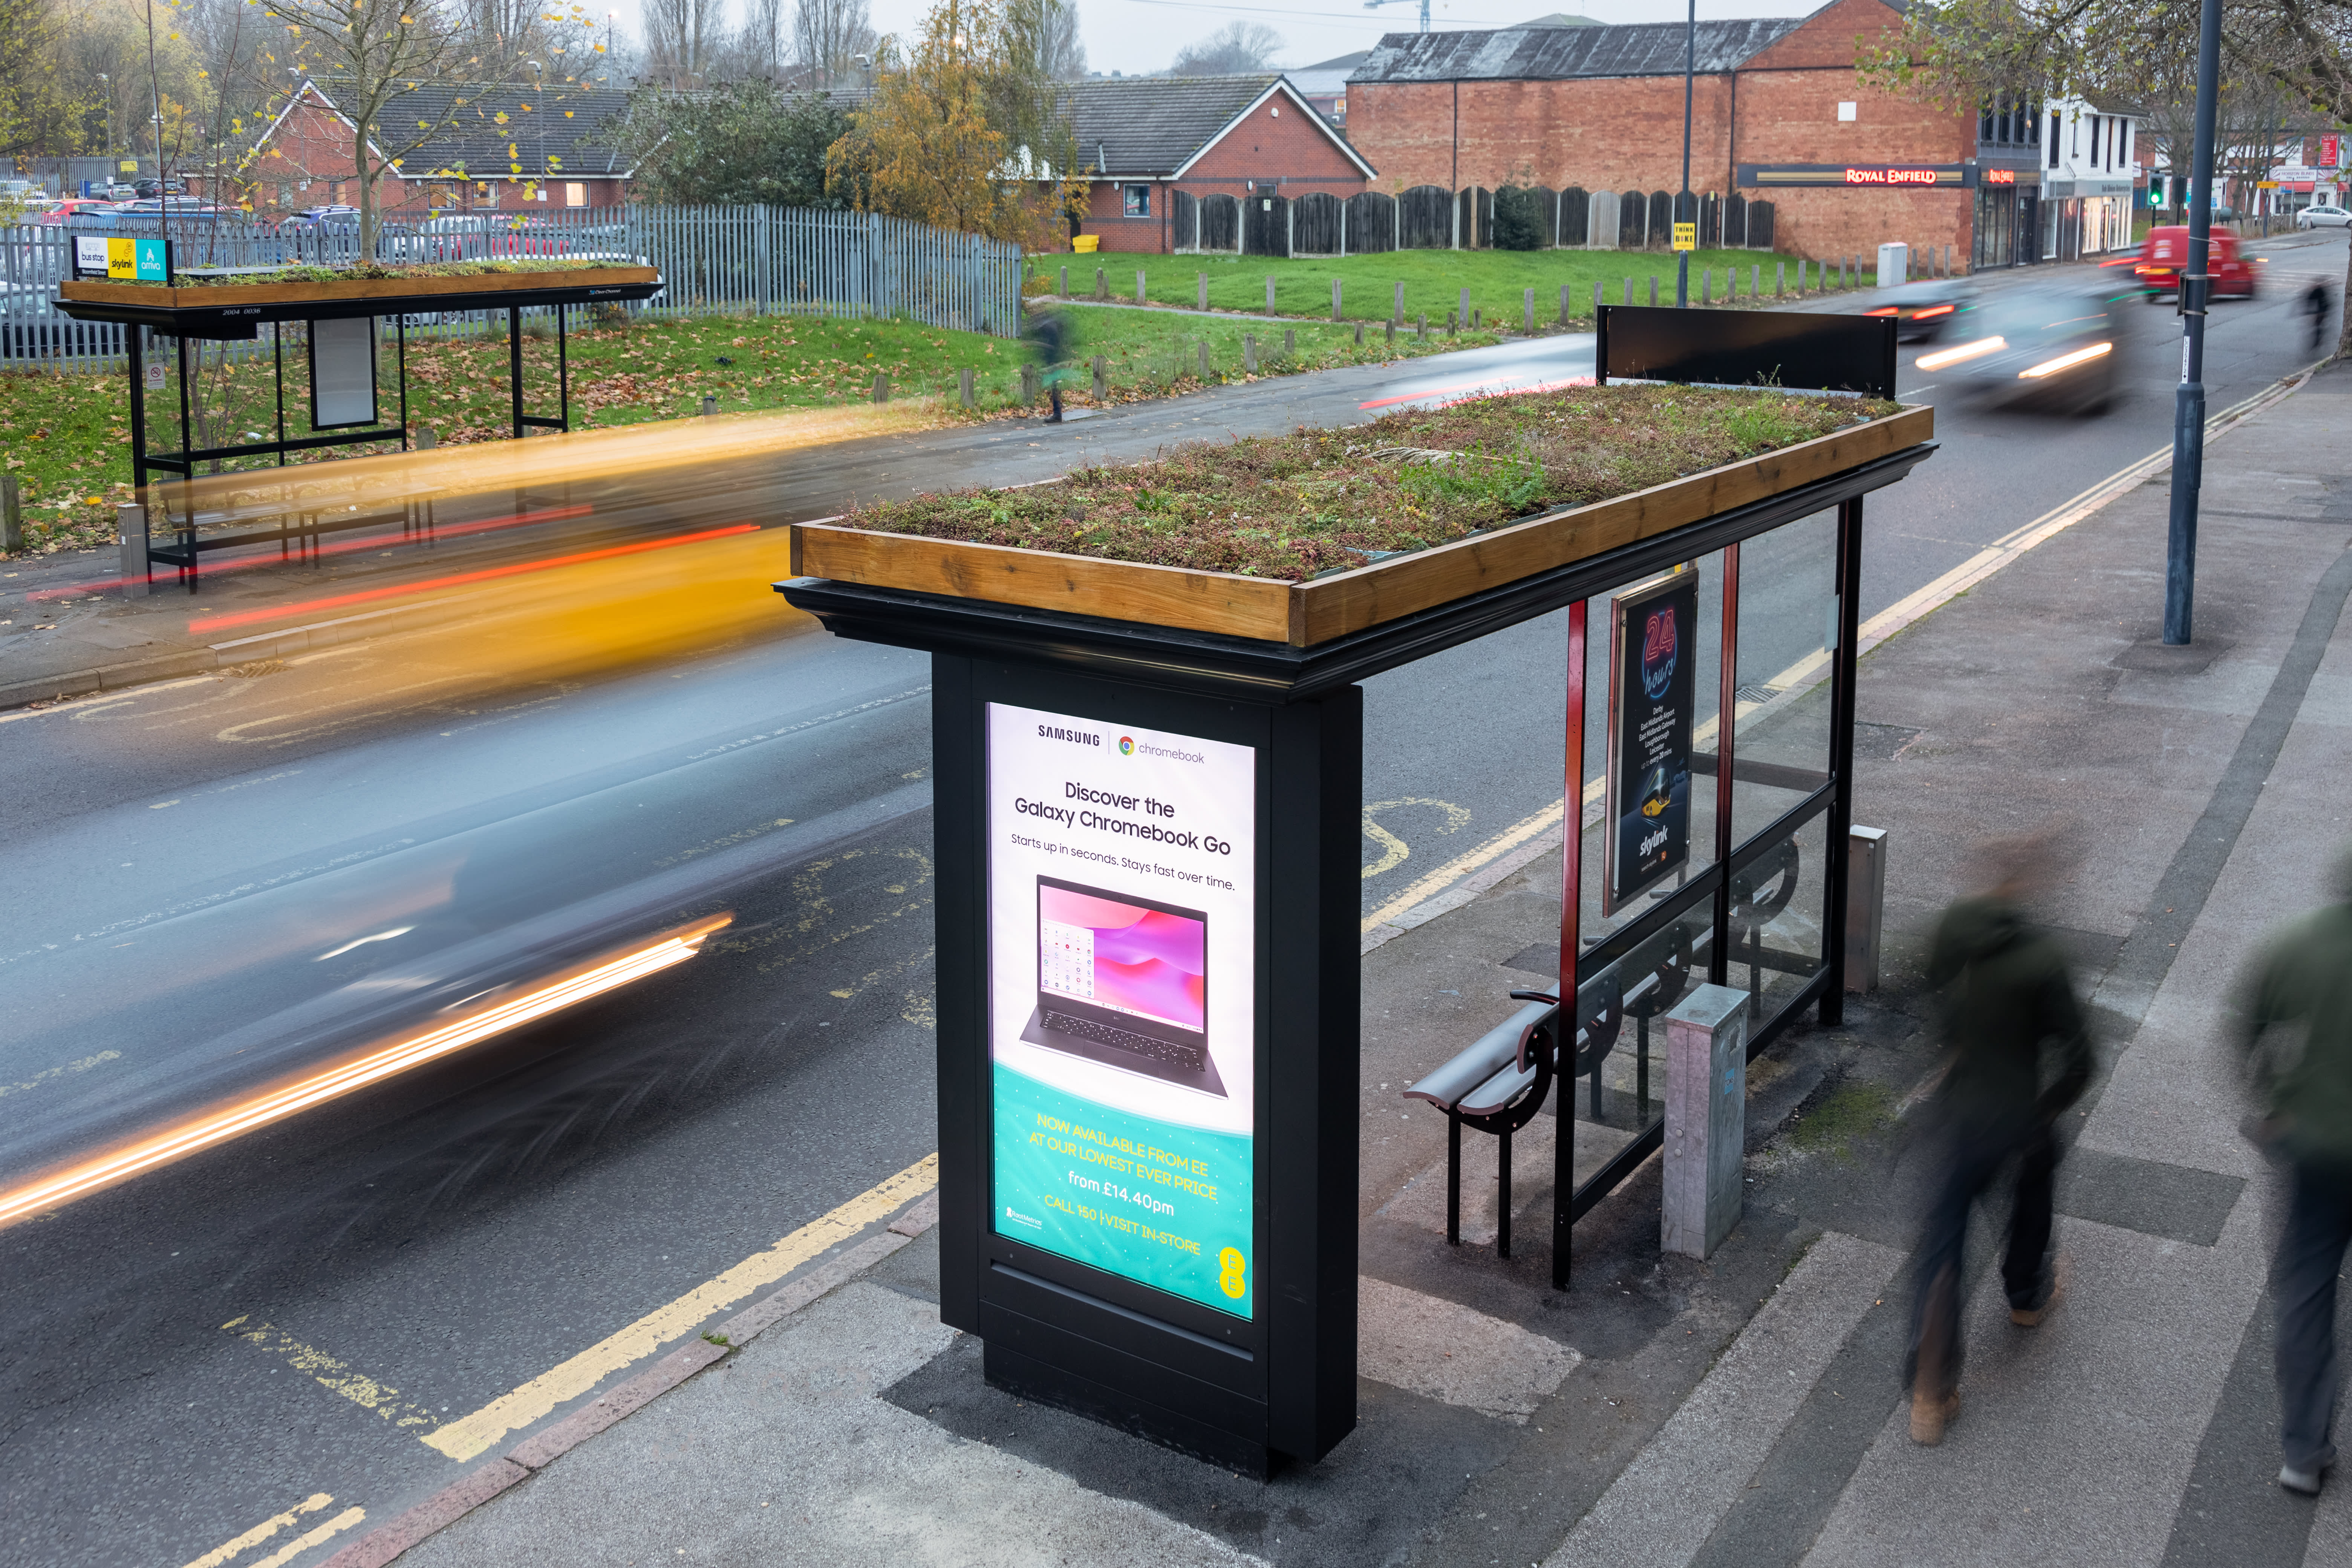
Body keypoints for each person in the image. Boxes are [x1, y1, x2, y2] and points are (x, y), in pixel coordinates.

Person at [1905, 833, 2093, 1446]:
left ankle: (1930, 1393)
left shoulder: (1958, 924)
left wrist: (1952, 1044)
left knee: (1943, 1246)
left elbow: (1930, 980)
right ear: (2032, 888)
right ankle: (2026, 1294)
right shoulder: (2043, 958)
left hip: (1959, 1112)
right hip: (2015, 1114)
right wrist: (2048, 1107)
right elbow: (2079, 1057)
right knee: (2034, 1185)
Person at [2236, 846, 2352, 1496]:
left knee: (2306, 1290)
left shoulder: (2300, 944)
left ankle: (2304, 1451)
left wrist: (2269, 1106)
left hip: (2313, 1153)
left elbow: (2245, 1027)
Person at [1025, 302, 1071, 423]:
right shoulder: (1048, 322)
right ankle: (1057, 413)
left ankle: (1057, 414)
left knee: (1054, 386)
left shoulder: (1047, 325)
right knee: (1053, 386)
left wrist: (1036, 345)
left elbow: (1050, 345)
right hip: (1053, 360)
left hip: (1053, 361)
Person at [2304, 282, 2333, 357]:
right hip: (2320, 310)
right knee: (2318, 325)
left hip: (2321, 311)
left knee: (2318, 325)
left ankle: (2317, 341)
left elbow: (2325, 304)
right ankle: (2318, 341)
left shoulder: (2318, 292)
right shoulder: (2318, 292)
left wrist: (2318, 313)